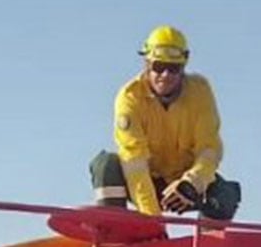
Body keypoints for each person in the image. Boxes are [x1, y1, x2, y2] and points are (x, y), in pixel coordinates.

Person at [89, 25, 240, 221]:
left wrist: (192, 183)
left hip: (184, 185)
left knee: (225, 195)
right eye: (159, 67)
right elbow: (134, 164)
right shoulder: (129, 98)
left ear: (183, 68)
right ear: (147, 64)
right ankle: (113, 234)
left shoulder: (200, 91)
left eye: (173, 68)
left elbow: (209, 149)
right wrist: (153, 224)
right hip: (145, 181)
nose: (165, 75)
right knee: (106, 165)